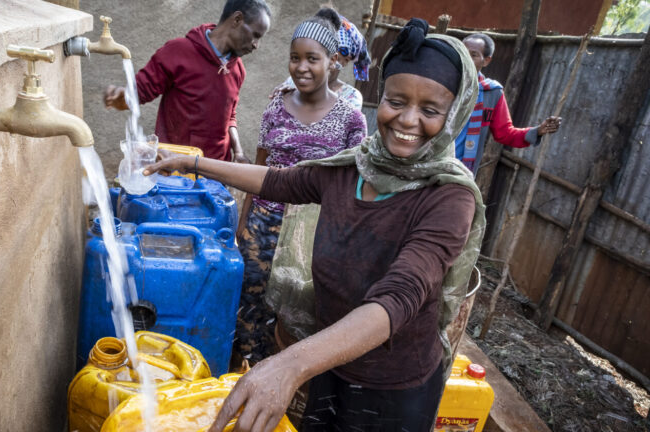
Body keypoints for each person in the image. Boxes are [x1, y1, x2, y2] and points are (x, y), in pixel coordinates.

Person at [145, 18, 486, 432]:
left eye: (430, 110)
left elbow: (401, 294)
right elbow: (277, 179)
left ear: (454, 115)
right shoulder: (352, 169)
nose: (408, 120)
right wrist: (193, 162)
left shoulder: (448, 197)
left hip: (393, 386)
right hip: (330, 361)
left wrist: (290, 363)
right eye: (397, 101)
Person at [233, 7, 367, 369]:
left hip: (313, 232)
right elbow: (260, 166)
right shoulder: (277, 103)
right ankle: (247, 369)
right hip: (263, 223)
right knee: (249, 304)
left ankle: (288, 377)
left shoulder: (352, 119)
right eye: (295, 58)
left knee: (299, 313)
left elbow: (355, 186)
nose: (302, 67)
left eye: (312, 58)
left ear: (332, 61)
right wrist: (243, 226)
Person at [103, 0, 272, 162]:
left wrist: (239, 152)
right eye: (255, 35)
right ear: (237, 19)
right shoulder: (178, 51)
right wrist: (121, 97)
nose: (256, 45)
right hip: (175, 169)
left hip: (216, 173)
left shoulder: (238, 69)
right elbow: (138, 93)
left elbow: (230, 115)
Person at [458, 32, 562, 175]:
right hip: (428, 162)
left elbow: (505, 133)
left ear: (486, 61)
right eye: (462, 52)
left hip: (460, 172)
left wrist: (537, 131)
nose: (465, 58)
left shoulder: (492, 93)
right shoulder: (441, 83)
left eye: (473, 55)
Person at [270, 14, 371, 110]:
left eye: (331, 58)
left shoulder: (350, 96)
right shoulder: (292, 83)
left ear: (345, 61)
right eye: (313, 58)